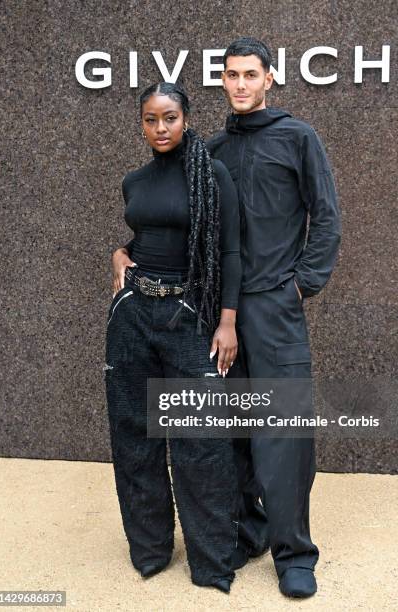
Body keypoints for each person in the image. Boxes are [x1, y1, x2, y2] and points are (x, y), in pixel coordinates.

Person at [206, 37, 342, 598]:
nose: (240, 84)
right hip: (223, 313)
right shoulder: (210, 149)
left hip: (275, 310)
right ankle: (250, 530)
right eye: (231, 75)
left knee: (284, 433)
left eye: (249, 74)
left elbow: (326, 216)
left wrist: (300, 286)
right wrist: (126, 249)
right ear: (223, 82)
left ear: (269, 79)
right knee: (231, 429)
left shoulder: (298, 136)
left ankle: (294, 554)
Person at [104, 81, 242, 593]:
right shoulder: (134, 180)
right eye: (150, 119)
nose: (160, 128)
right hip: (133, 315)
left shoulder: (210, 173)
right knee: (134, 434)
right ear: (140, 123)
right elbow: (150, 235)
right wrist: (119, 253)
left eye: (169, 118)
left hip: (188, 315)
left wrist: (227, 321)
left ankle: (210, 562)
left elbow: (229, 251)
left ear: (186, 118)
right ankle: (150, 550)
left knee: (201, 441)